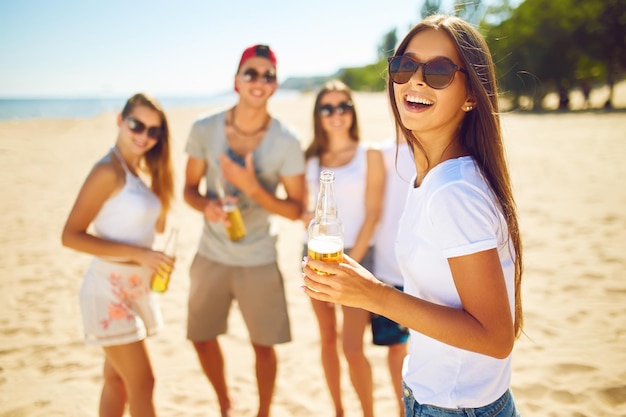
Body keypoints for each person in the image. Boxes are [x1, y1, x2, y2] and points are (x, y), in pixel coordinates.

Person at [303, 14, 524, 417]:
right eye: (405, 66)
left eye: (438, 71)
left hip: (454, 407)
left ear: (471, 94)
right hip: (436, 396)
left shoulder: (454, 191)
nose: (415, 80)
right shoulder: (432, 175)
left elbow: (496, 338)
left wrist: (374, 295)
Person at [183, 44, 305, 417]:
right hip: (211, 253)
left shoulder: (287, 140)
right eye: (250, 73)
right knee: (201, 337)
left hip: (258, 257)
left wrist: (252, 187)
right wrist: (208, 206)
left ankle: (263, 411)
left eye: (267, 75)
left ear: (275, 84)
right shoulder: (204, 129)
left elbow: (296, 209)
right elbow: (188, 191)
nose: (259, 81)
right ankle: (224, 403)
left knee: (263, 345)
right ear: (236, 81)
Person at [61, 92, 175, 417]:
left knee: (117, 382)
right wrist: (139, 255)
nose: (144, 136)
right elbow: (70, 236)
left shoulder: (137, 171)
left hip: (134, 289)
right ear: (120, 121)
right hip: (108, 291)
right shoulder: (107, 171)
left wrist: (153, 257)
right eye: (137, 125)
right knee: (144, 382)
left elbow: (153, 227)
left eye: (154, 131)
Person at [302, 79, 385, 417]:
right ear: (318, 115)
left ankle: (367, 413)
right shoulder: (310, 158)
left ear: (352, 111)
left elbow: (373, 214)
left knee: (352, 347)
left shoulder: (370, 155)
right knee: (327, 339)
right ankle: (338, 410)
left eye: (343, 106)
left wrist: (353, 261)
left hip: (356, 256)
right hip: (315, 255)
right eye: (327, 108)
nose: (336, 114)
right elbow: (305, 210)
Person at [370, 135, 412, 417]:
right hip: (387, 270)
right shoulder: (379, 153)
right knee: (396, 349)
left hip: (425, 273)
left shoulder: (444, 147)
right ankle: (401, 408)